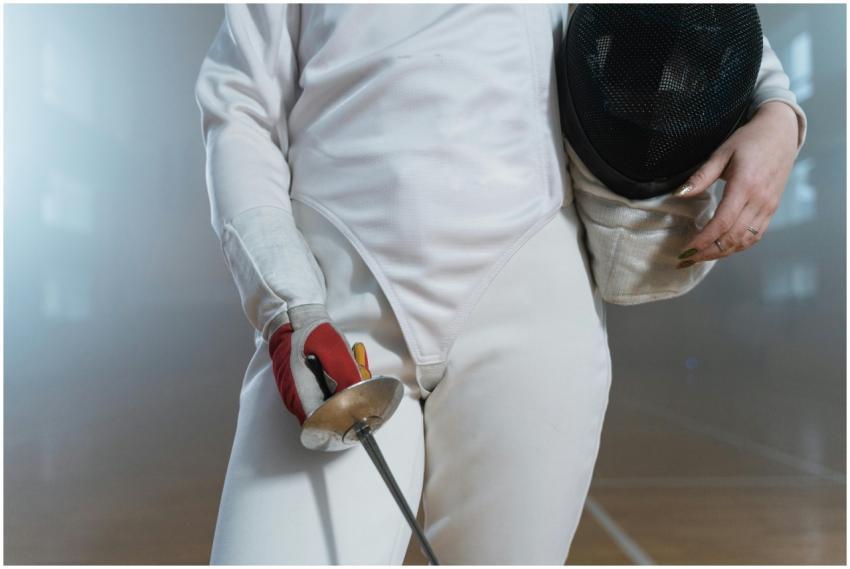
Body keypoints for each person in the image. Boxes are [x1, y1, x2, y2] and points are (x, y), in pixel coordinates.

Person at [194, 5, 806, 564]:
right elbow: (239, 108)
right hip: (334, 317)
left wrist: (777, 110)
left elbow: (695, 18)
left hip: (529, 301)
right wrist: (290, 303)